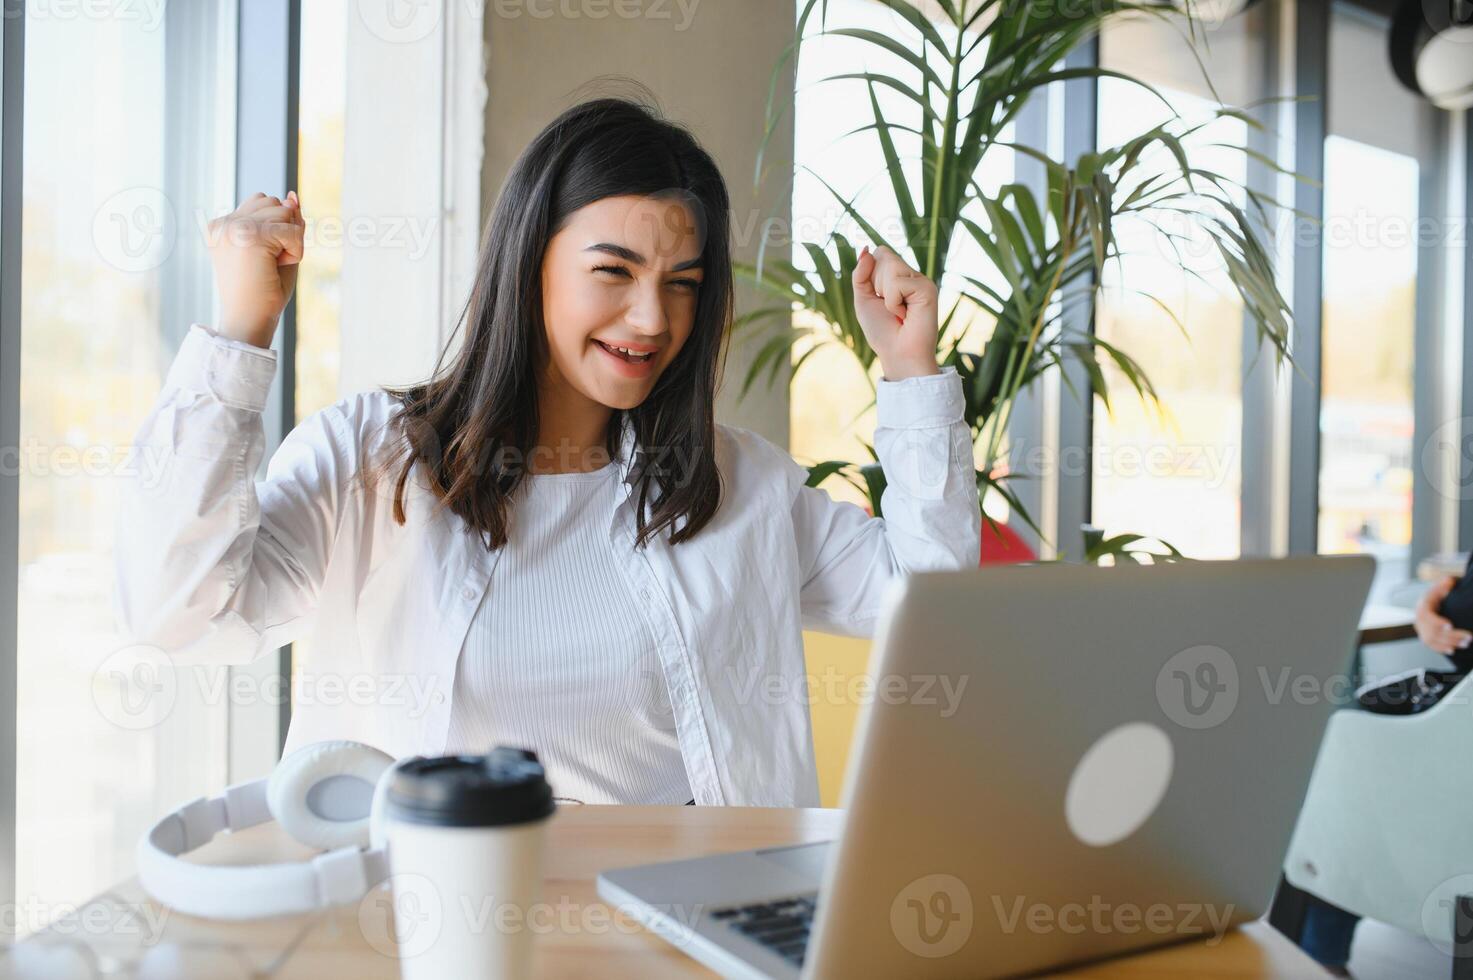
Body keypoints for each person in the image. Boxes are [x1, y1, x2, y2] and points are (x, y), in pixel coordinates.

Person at [113, 96, 980, 807]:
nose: (652, 320)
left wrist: (911, 375)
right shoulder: (370, 460)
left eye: (681, 285)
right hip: (434, 927)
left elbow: (928, 608)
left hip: (684, 930)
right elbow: (177, 610)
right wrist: (240, 334)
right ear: (529, 262)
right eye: (614, 271)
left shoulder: (739, 482)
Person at [1293, 562, 1471, 971]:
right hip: (1452, 702)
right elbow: (1458, 581)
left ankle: (1320, 954)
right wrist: (1429, 606)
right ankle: (1322, 948)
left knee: (1341, 753)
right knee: (1348, 737)